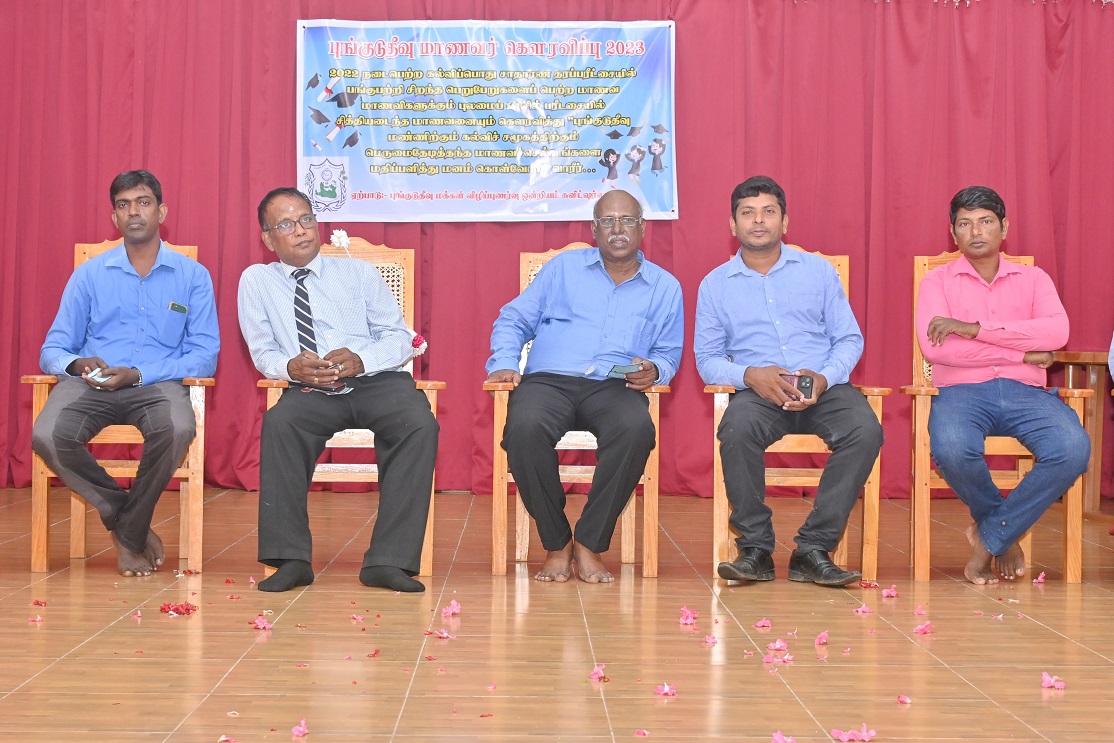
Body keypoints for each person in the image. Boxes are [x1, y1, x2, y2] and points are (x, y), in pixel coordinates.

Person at [238, 187, 438, 593]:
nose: (300, 230)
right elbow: (262, 351)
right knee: (281, 423)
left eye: (306, 219)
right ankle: (290, 560)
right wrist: (290, 367)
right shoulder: (256, 281)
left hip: (375, 380)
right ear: (268, 239)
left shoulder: (358, 273)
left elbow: (400, 338)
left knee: (418, 423)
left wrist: (362, 358)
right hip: (310, 388)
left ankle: (389, 561)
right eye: (286, 224)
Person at [485, 189, 683, 583]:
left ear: (643, 227)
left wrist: (656, 369)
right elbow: (514, 319)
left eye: (627, 220)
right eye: (607, 221)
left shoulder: (665, 287)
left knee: (635, 429)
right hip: (549, 381)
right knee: (523, 428)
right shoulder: (563, 269)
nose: (617, 228)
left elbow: (668, 353)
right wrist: (505, 362)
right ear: (594, 229)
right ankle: (557, 543)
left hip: (614, 384)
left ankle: (590, 542)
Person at [695, 175, 882, 587]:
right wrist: (750, 375)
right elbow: (707, 360)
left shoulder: (818, 271)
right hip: (759, 393)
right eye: (747, 213)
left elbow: (849, 339)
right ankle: (755, 550)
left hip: (824, 387)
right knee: (736, 428)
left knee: (865, 429)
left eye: (768, 212)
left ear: (785, 221)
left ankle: (813, 549)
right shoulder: (714, 286)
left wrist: (825, 377)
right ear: (732, 224)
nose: (758, 221)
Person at [33, 170, 219, 577]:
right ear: (114, 217)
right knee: (46, 434)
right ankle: (128, 522)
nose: (134, 212)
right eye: (124, 204)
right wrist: (76, 364)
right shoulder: (90, 274)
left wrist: (138, 374)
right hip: (91, 386)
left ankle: (128, 533)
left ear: (161, 212)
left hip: (156, 384)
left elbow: (205, 356)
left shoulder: (192, 276)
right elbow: (53, 349)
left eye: (144, 202)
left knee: (178, 428)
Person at [916, 185, 1089, 584]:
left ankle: (991, 536)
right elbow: (937, 349)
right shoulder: (937, 282)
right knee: (952, 448)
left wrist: (974, 329)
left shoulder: (1034, 278)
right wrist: (1022, 353)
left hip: (1026, 393)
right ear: (953, 233)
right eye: (965, 223)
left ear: (1004, 227)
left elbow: (1056, 333)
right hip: (961, 392)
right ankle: (1003, 533)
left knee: (1072, 448)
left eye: (986, 222)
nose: (976, 231)